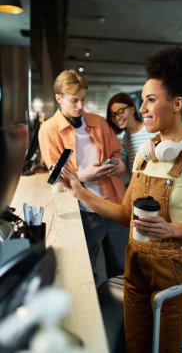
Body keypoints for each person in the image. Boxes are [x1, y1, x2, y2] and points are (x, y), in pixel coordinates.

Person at [60, 47, 182, 353]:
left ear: (176, 103)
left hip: (177, 276)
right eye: (143, 99)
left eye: (151, 100)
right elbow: (126, 214)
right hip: (136, 269)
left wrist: (172, 229)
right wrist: (79, 192)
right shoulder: (145, 154)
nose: (142, 108)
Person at [38, 69, 129, 285]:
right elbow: (54, 177)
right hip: (84, 211)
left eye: (83, 100)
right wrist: (83, 176)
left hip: (114, 204)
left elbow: (116, 152)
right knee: (86, 272)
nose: (80, 106)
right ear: (58, 97)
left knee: (123, 268)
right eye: (74, 100)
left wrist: (119, 164)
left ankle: (126, 315)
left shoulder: (98, 122)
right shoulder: (49, 130)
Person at [106, 92, 157, 181]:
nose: (117, 118)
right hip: (138, 185)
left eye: (121, 112)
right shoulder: (126, 138)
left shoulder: (151, 128)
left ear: (132, 110)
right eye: (113, 115)